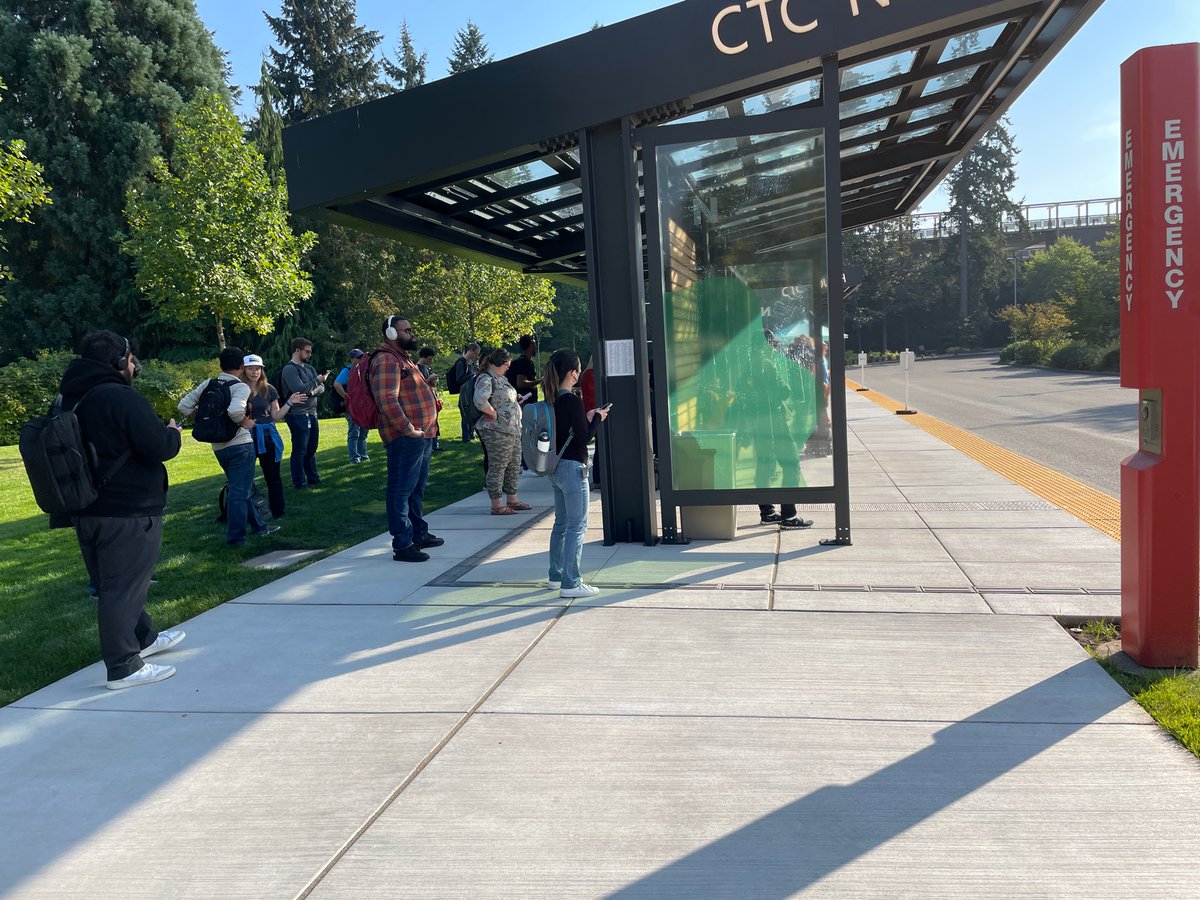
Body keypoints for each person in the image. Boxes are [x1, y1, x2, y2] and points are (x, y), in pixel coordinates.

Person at [58, 330, 184, 689]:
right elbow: (158, 445)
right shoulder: (121, 397)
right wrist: (172, 432)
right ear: (118, 362)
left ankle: (144, 639)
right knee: (122, 587)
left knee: (114, 581)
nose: (134, 366)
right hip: (127, 509)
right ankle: (124, 665)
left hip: (85, 507)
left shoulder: (69, 398)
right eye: (131, 360)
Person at [179, 347, 279, 546]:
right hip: (240, 445)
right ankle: (236, 539)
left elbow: (183, 405)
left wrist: (201, 419)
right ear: (242, 366)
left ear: (220, 365)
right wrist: (244, 422)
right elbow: (235, 410)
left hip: (218, 447)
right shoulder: (241, 387)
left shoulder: (209, 383)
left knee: (241, 488)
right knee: (239, 492)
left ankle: (259, 527)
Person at [370, 315, 444, 562]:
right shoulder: (386, 360)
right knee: (401, 490)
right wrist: (408, 429)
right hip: (405, 437)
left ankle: (417, 534)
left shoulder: (403, 359)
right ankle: (402, 544)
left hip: (421, 435)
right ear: (391, 334)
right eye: (407, 330)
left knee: (415, 489)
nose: (412, 334)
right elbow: (387, 400)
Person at [543, 348, 608, 598]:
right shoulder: (571, 399)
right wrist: (598, 419)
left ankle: (556, 576)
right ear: (572, 373)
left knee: (560, 524)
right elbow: (583, 437)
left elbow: (569, 429)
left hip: (556, 467)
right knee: (577, 526)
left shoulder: (552, 399)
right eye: (578, 369)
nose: (580, 373)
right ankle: (572, 582)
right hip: (574, 468)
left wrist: (588, 417)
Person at [242, 354, 305, 519]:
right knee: (244, 476)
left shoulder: (268, 389)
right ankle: (249, 512)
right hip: (246, 437)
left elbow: (276, 415)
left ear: (261, 370)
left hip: (268, 436)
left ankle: (278, 511)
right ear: (244, 369)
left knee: (273, 476)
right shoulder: (238, 389)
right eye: (250, 368)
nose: (254, 372)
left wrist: (290, 402)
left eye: (257, 368)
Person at [473, 347, 531, 515]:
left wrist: (515, 400)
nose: (508, 367)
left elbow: (501, 398)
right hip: (496, 430)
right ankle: (497, 504)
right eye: (507, 364)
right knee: (498, 466)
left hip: (511, 429)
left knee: (513, 464)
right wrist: (493, 413)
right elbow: (480, 400)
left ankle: (512, 499)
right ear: (498, 363)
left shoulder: (501, 379)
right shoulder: (485, 378)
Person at [280, 337, 329, 489]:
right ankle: (299, 482)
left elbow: (322, 388)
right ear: (297, 351)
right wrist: (317, 381)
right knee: (300, 449)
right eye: (307, 352)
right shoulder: (289, 369)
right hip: (297, 414)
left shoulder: (309, 368)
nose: (309, 355)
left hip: (312, 412)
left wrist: (310, 392)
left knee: (311, 448)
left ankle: (313, 477)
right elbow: (298, 388)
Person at [333, 348, 369, 463]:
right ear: (352, 359)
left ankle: (363, 456)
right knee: (354, 432)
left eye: (362, 357)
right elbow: (337, 384)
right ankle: (354, 458)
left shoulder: (364, 370)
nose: (361, 359)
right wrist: (347, 397)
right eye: (358, 357)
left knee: (364, 432)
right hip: (352, 407)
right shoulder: (347, 371)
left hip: (363, 406)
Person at [452, 342, 481, 442]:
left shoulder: (469, 362)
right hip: (464, 393)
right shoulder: (461, 362)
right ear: (471, 350)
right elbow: (459, 379)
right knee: (465, 414)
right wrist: (473, 375)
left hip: (469, 392)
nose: (476, 356)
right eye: (476, 353)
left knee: (471, 413)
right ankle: (466, 437)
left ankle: (471, 434)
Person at [417, 346, 441, 452]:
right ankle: (429, 445)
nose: (430, 361)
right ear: (424, 357)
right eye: (429, 359)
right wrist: (429, 379)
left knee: (434, 422)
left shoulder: (426, 368)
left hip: (430, 398)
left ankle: (434, 444)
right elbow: (418, 387)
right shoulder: (417, 368)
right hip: (422, 401)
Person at [508, 335, 539, 402]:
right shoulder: (525, 362)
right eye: (534, 344)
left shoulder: (520, 361)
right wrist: (539, 381)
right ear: (531, 345)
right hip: (525, 402)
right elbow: (521, 383)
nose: (535, 347)